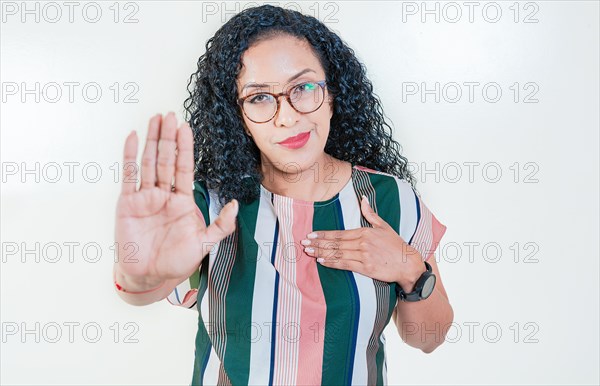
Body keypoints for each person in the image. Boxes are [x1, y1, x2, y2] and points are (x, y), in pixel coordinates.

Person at [113, 5, 453, 385]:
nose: (286, 117)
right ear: (235, 114)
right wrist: (137, 272)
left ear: (333, 92)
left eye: (304, 88)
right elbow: (143, 289)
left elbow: (429, 338)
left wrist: (409, 268)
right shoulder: (206, 208)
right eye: (259, 97)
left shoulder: (391, 200)